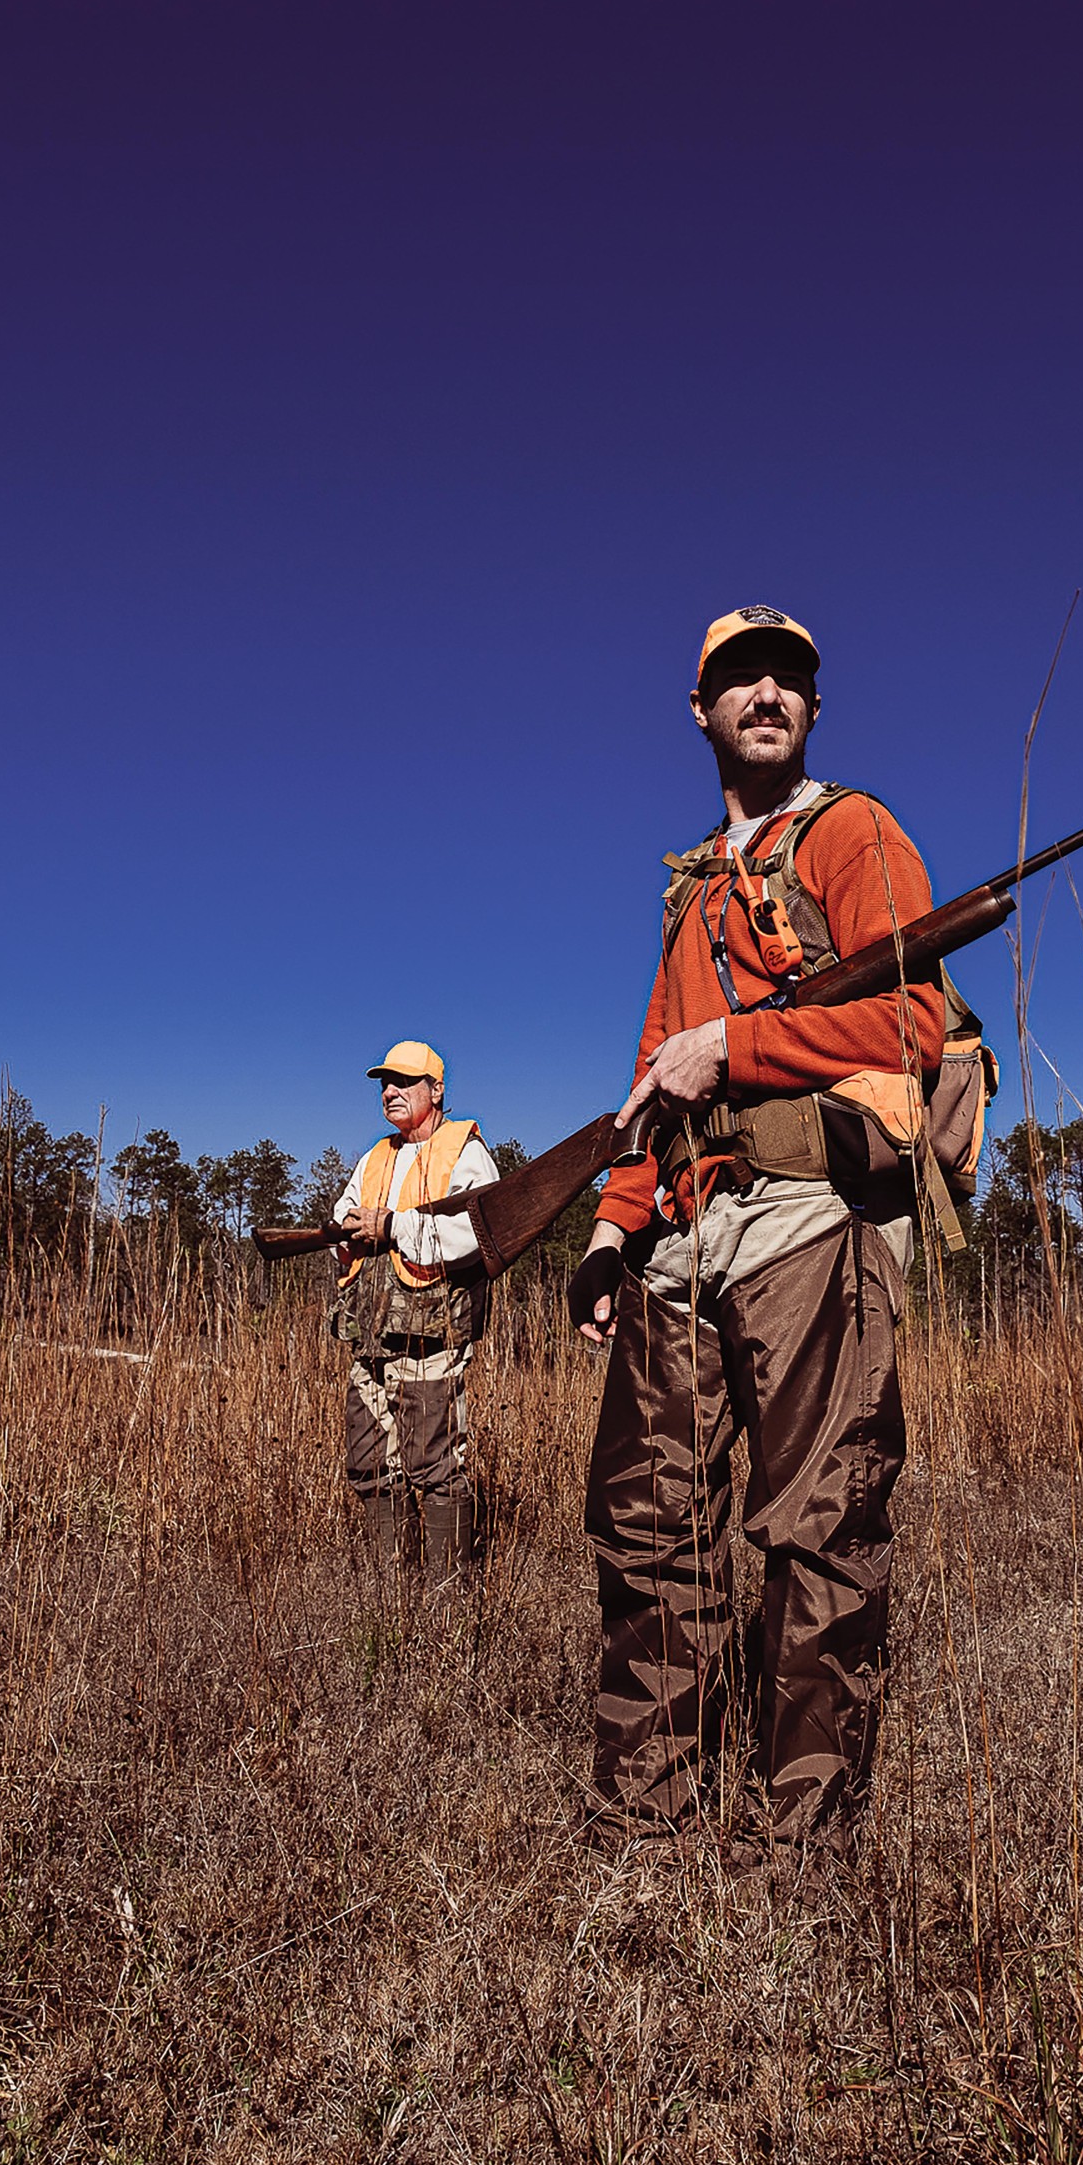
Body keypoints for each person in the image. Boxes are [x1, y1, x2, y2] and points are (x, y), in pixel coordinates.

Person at [569, 605, 945, 1849]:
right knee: (648, 1526)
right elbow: (647, 1079)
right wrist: (612, 1231)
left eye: (788, 676)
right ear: (702, 710)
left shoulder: (854, 833)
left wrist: (733, 1044)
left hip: (800, 1226)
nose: (766, 692)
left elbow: (910, 1024)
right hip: (679, 1241)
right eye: (740, 678)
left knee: (818, 1530)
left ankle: (801, 1838)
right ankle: (645, 1818)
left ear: (813, 707)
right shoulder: (692, 887)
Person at [332, 1039, 499, 1592]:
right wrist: (350, 1226)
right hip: (370, 1337)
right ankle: (391, 1589)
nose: (390, 1092)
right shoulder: (375, 1156)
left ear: (437, 1089)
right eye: (385, 1082)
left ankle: (447, 1602)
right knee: (367, 1463)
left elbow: (477, 1232)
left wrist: (393, 1227)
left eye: (404, 1081)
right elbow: (343, 1214)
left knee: (435, 1466)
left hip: (433, 1334)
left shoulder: (465, 1150)